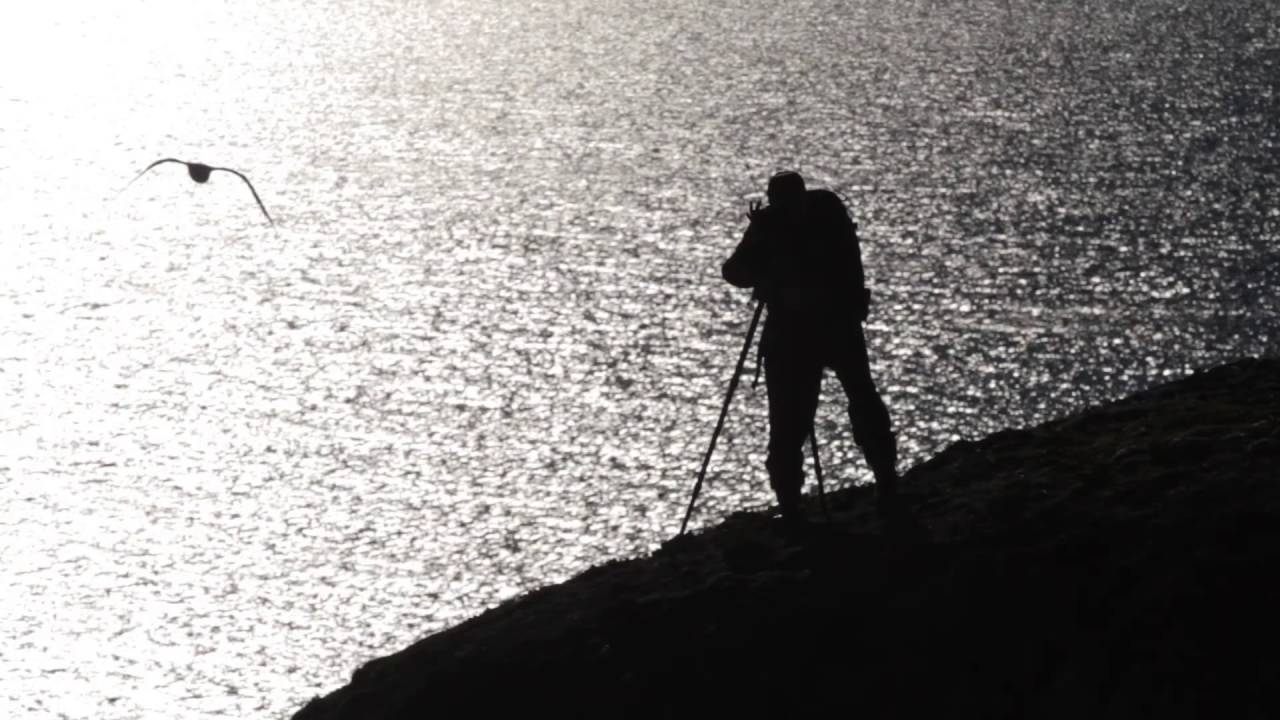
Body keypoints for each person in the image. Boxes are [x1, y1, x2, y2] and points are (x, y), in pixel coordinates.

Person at [722, 170, 901, 526]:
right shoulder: (816, 216)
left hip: (812, 328)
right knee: (798, 419)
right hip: (823, 327)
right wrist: (767, 265)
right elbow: (734, 271)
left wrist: (768, 272)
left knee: (821, 412)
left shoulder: (812, 218)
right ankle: (873, 488)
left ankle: (875, 488)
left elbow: (736, 271)